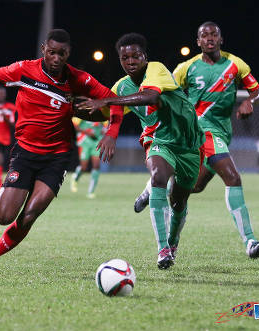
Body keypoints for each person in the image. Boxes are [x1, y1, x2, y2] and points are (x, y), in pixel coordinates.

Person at [0, 29, 123, 275]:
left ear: (68, 54)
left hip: (57, 158)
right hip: (25, 154)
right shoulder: (24, 71)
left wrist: (111, 133)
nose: (56, 58)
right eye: (52, 53)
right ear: (43, 51)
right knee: (4, 216)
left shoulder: (79, 80)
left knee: (29, 215)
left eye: (62, 54)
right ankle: (7, 190)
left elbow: (114, 101)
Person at [133, 22, 259, 259]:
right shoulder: (187, 68)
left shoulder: (236, 65)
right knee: (233, 176)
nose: (209, 38)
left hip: (222, 133)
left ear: (221, 38)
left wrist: (250, 102)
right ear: (198, 42)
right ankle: (250, 241)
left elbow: (256, 91)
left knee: (192, 187)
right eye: (204, 35)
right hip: (199, 131)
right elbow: (167, 92)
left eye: (213, 34)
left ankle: (152, 187)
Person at [77, 33, 204, 269]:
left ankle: (173, 241)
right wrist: (70, 108)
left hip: (188, 143)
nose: (131, 61)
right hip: (158, 140)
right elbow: (103, 113)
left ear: (145, 57)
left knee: (179, 202)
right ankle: (163, 250)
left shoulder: (156, 69)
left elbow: (150, 96)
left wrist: (108, 102)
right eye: (125, 57)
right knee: (159, 177)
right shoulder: (121, 87)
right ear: (120, 60)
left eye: (136, 56)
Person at [70, 118, 106, 198]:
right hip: (84, 141)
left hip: (97, 141)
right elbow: (74, 125)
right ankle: (75, 177)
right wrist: (87, 132)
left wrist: (104, 131)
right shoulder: (83, 109)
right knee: (84, 167)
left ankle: (91, 192)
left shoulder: (102, 110)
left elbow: (107, 125)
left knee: (96, 166)